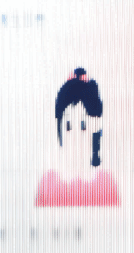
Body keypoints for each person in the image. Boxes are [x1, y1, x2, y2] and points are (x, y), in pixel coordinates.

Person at [35, 68, 119, 206]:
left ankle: (78, 173)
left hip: (75, 126)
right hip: (80, 126)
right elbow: (96, 109)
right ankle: (80, 173)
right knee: (81, 150)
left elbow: (60, 110)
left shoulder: (70, 88)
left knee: (77, 151)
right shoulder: (86, 87)